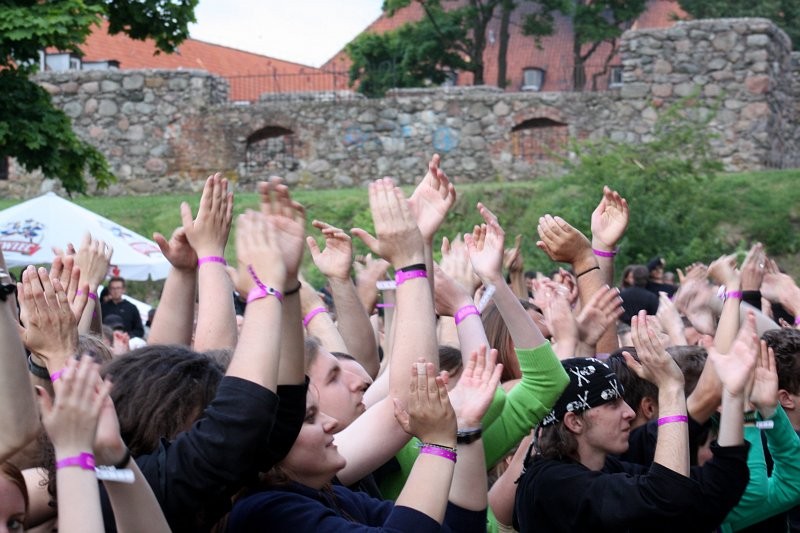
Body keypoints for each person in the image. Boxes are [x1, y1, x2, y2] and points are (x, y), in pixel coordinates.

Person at [513, 310, 753, 533]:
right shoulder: (552, 484)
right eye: (613, 404)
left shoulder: (606, 465)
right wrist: (670, 389)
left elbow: (709, 495)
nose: (629, 412)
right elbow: (667, 494)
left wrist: (733, 396)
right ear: (574, 422)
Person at [227, 358, 494, 532]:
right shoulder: (266, 512)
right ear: (269, 442)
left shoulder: (331, 494)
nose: (330, 422)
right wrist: (437, 443)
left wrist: (464, 426)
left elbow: (457, 529)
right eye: (310, 418)